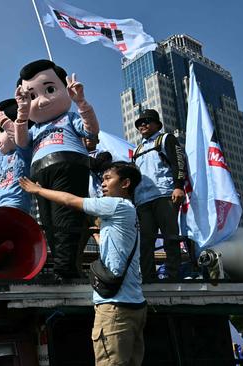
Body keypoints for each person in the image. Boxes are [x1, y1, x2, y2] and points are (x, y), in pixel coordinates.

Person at [20, 162, 146, 366]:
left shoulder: (116, 205)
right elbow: (112, 244)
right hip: (134, 304)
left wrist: (38, 190)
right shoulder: (130, 211)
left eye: (108, 179)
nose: (103, 184)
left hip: (115, 307)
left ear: (125, 183)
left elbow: (71, 200)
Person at [14, 59, 99, 281]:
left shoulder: (69, 118)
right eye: (32, 96)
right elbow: (21, 143)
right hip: (40, 173)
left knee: (66, 218)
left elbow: (91, 131)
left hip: (69, 165)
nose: (41, 101)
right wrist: (22, 114)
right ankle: (66, 268)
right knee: (49, 224)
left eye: (50, 90)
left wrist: (81, 103)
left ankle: (65, 269)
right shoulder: (36, 128)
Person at [131, 109, 186, 282]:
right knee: (145, 241)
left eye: (147, 121)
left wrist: (178, 186)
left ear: (157, 124)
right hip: (142, 200)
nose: (143, 125)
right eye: (140, 123)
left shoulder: (166, 139)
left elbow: (179, 162)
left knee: (170, 236)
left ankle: (172, 275)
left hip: (164, 195)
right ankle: (148, 277)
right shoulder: (137, 149)